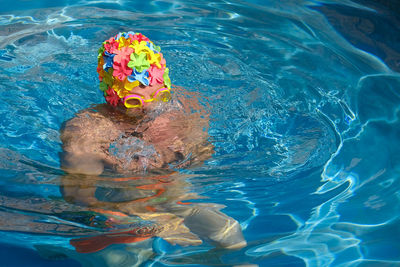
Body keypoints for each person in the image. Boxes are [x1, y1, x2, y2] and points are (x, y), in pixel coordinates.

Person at [59, 32, 246, 257]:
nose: (150, 108)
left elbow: (203, 152)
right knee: (126, 257)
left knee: (230, 235)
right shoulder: (89, 128)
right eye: (134, 102)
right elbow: (78, 195)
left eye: (160, 95)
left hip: (171, 190)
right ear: (113, 97)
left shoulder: (184, 105)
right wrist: (153, 221)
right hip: (120, 199)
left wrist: (188, 153)